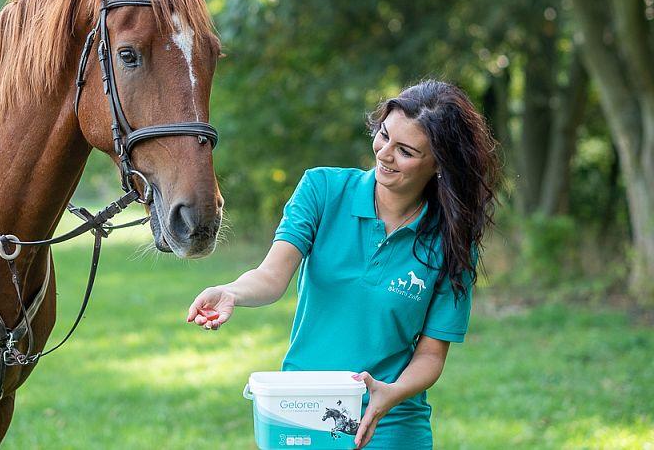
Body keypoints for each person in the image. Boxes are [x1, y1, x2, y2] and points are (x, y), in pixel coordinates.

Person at [187, 80, 501, 449]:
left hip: (391, 421)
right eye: (384, 136)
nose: (385, 154)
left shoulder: (450, 242)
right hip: (303, 413)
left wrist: (392, 393)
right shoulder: (322, 190)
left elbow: (432, 354)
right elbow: (272, 276)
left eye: (405, 151)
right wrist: (231, 292)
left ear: (438, 164)